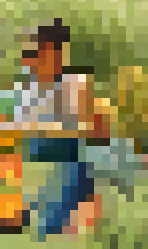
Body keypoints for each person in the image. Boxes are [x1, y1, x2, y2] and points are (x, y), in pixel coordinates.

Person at [10, 20, 111, 237]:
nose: (29, 59)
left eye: (36, 51)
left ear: (54, 53)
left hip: (69, 163)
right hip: (34, 164)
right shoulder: (26, 90)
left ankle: (50, 227)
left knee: (72, 169)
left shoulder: (75, 84)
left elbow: (99, 132)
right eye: (29, 52)